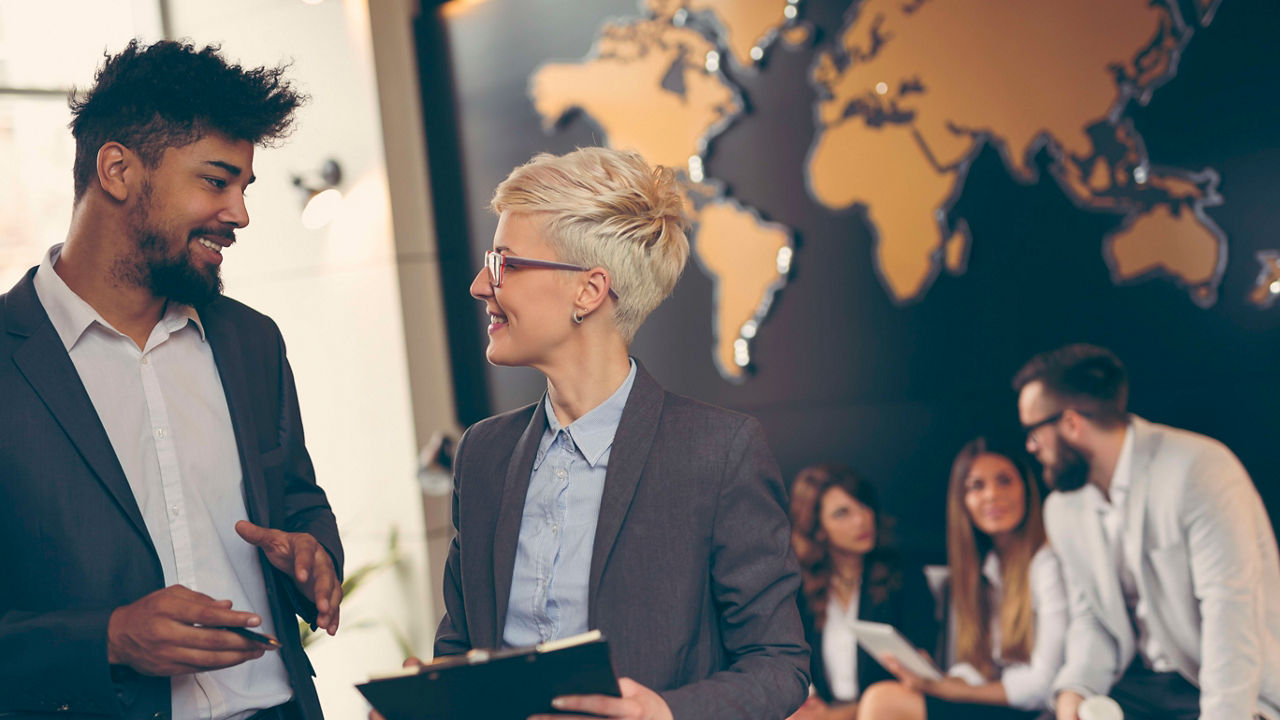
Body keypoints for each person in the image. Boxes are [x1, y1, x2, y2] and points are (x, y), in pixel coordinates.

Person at [0, 40, 343, 720]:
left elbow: (299, 501)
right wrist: (109, 639)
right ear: (119, 171)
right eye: (216, 182)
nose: (240, 213)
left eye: (244, 187)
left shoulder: (253, 342)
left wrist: (313, 556)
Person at [429, 146, 810, 720]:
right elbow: (460, 648)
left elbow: (779, 664)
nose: (481, 284)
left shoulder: (718, 451)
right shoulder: (483, 453)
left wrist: (665, 713)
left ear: (589, 290)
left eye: (504, 262)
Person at [1012, 343, 1280, 720]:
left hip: (1226, 684)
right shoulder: (1062, 507)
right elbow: (1094, 620)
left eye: (1033, 431)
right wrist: (1075, 687)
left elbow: (1231, 617)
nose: (1030, 446)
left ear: (1071, 423)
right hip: (1139, 686)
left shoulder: (1199, 469)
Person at [857, 439, 1066, 719]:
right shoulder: (983, 570)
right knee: (885, 697)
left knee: (883, 701)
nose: (991, 495)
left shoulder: (1048, 562)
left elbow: (1043, 686)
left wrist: (950, 690)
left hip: (1038, 708)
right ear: (963, 501)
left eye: (1004, 481)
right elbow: (980, 668)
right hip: (998, 700)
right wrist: (944, 679)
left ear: (1027, 489)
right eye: (977, 486)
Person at [788, 465, 939, 720]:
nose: (861, 519)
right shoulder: (802, 589)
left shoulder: (904, 579)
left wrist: (835, 717)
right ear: (818, 529)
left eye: (863, 506)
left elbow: (921, 678)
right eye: (842, 513)